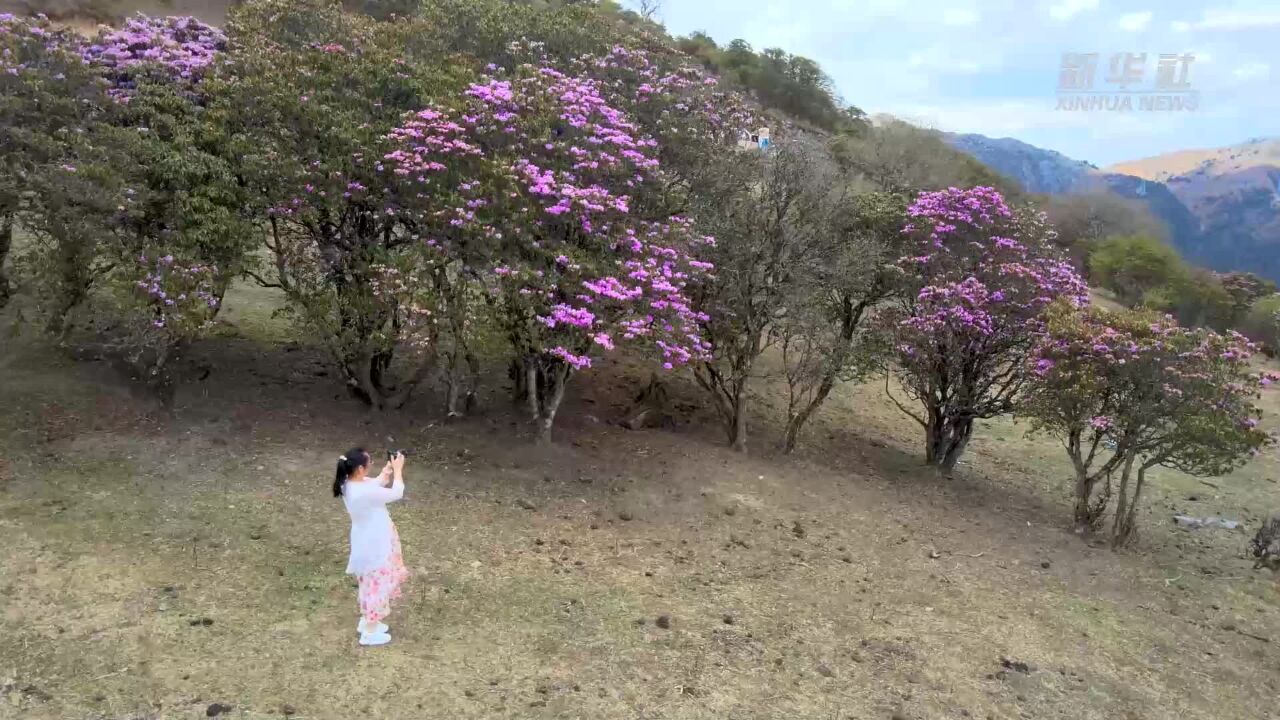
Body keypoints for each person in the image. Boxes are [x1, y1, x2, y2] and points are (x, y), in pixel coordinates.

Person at [333, 448, 408, 646]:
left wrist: (387, 470)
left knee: (369, 584)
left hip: (366, 541)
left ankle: (368, 621)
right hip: (374, 545)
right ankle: (369, 631)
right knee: (376, 586)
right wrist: (399, 471)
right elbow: (397, 493)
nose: (371, 465)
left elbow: (374, 484)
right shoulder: (362, 492)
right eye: (369, 464)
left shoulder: (348, 484)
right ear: (359, 469)